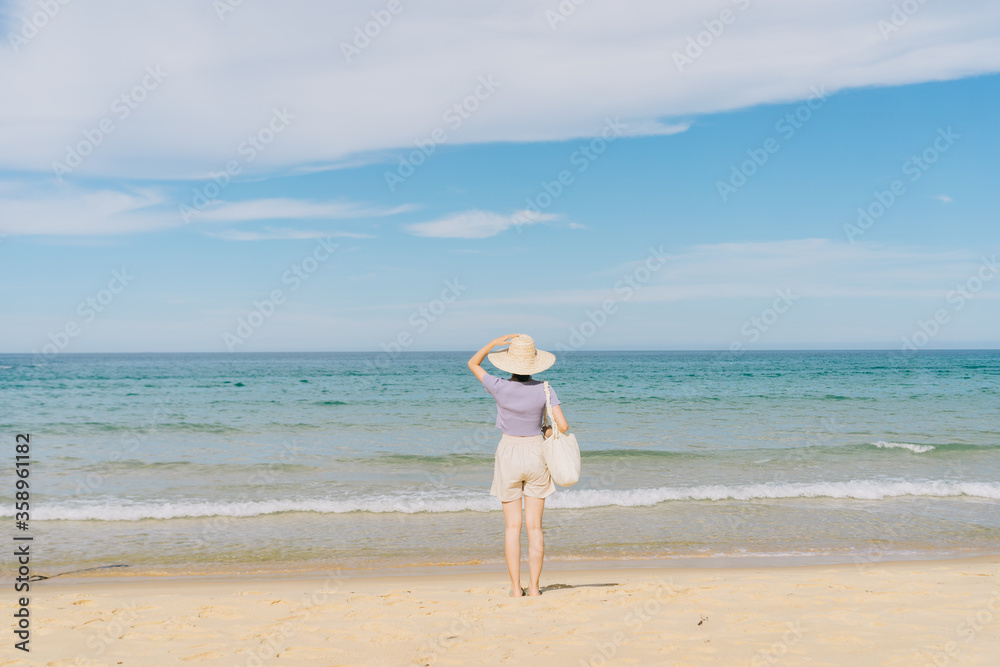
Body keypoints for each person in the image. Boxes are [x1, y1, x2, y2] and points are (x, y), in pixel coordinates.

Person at [467, 333, 569, 598]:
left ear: (508, 364)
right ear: (535, 363)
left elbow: (473, 364)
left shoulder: (498, 385)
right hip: (536, 453)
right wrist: (546, 430)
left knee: (512, 527)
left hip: (508, 452)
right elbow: (563, 426)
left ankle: (516, 588)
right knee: (534, 527)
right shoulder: (545, 388)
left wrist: (492, 344)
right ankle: (534, 588)